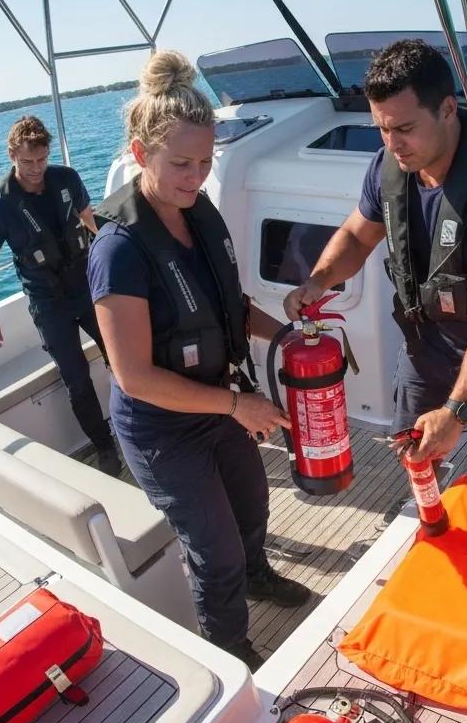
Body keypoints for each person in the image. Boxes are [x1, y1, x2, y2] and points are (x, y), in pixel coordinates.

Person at [88, 50, 309, 672]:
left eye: (205, 162)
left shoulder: (197, 212)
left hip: (214, 401)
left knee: (252, 506)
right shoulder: (119, 250)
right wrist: (240, 405)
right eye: (180, 163)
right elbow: (133, 375)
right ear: (140, 154)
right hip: (162, 429)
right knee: (214, 551)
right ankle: (229, 651)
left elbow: (225, 305)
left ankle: (260, 578)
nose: (195, 176)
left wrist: (286, 336)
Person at [285, 39, 467, 488]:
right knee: (416, 454)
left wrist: (456, 411)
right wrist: (318, 280)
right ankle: (430, 522)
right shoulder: (388, 167)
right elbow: (354, 235)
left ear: (447, 109)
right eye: (382, 129)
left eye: (404, 128)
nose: (392, 144)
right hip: (426, 345)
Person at [0, 115, 121, 475]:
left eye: (41, 160)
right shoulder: (1, 206)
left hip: (88, 286)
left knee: (123, 357)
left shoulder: (66, 179)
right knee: (76, 379)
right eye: (27, 162)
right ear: (12, 154)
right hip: (48, 303)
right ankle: (105, 448)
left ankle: (143, 425)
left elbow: (92, 221)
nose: (35, 169)